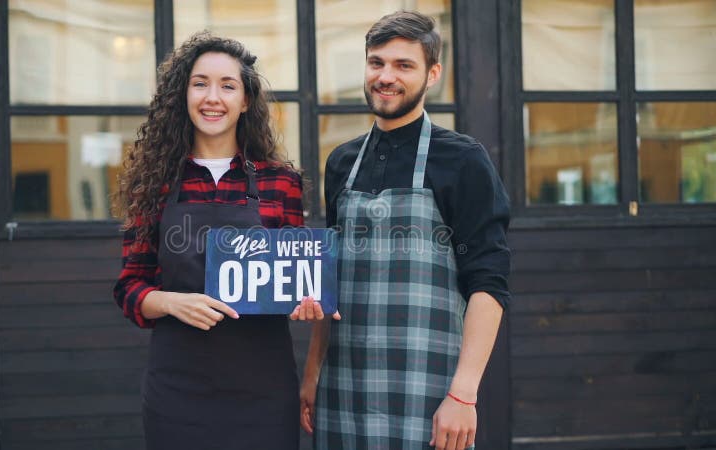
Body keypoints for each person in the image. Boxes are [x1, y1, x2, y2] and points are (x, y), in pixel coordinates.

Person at [293, 10, 511, 450]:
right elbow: (329, 280)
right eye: (377, 63)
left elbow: (489, 283)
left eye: (403, 65)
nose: (385, 76)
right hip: (343, 389)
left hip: (428, 391)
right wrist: (313, 373)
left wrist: (463, 394)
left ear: (432, 74)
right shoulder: (340, 162)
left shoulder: (463, 159)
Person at [113, 31, 303, 450]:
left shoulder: (282, 184)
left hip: (263, 391)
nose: (212, 97)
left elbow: (297, 274)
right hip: (179, 391)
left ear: (246, 100)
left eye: (227, 85)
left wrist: (306, 299)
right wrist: (171, 302)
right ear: (183, 94)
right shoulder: (155, 184)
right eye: (200, 83)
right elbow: (129, 287)